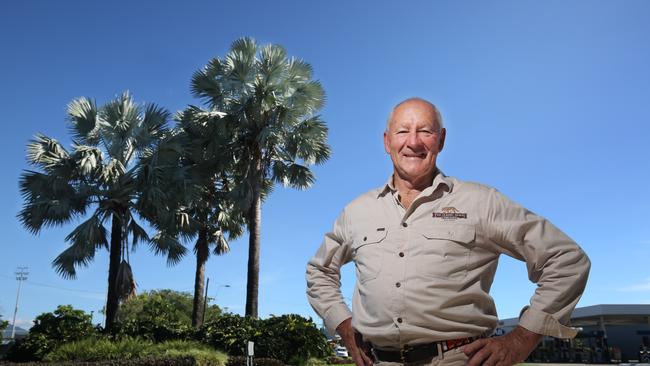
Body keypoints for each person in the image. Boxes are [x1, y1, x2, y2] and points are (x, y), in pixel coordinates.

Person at [305, 98, 590, 366]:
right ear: (387, 142)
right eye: (403, 131)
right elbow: (319, 272)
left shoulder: (481, 201)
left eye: (425, 131)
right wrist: (343, 326)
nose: (413, 142)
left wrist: (521, 339)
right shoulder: (357, 211)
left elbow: (566, 260)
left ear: (440, 140)